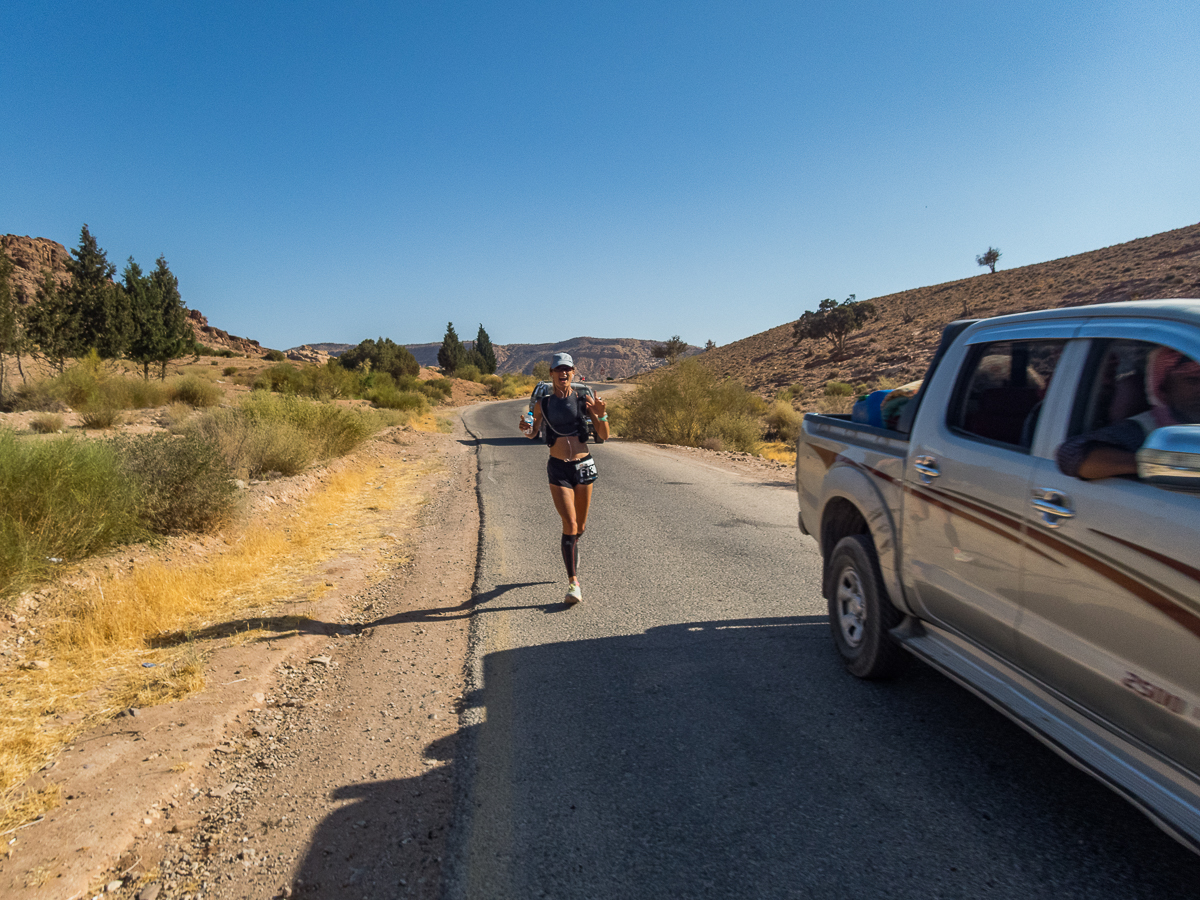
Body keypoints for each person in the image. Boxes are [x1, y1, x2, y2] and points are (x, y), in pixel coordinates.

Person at [520, 352, 609, 604]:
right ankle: (573, 583)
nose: (563, 373)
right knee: (569, 524)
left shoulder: (584, 401)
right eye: (558, 369)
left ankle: (571, 548)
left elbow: (603, 434)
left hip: (584, 466)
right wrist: (526, 429)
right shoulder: (543, 404)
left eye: (567, 369)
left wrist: (601, 414)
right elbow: (532, 432)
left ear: (573, 372)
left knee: (580, 527)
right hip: (557, 468)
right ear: (551, 374)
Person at [1057, 346, 1200, 479]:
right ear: (1163, 387)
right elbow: (1072, 455)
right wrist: (1164, 463)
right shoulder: (1144, 429)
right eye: (1193, 380)